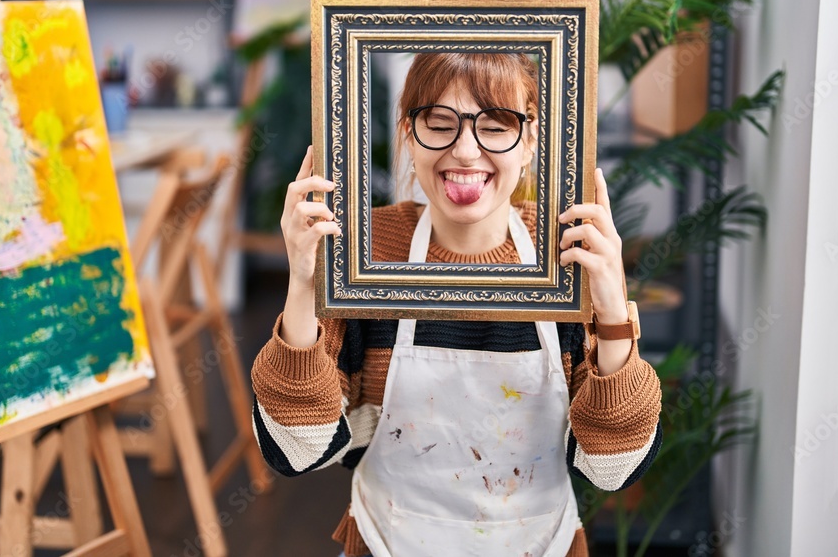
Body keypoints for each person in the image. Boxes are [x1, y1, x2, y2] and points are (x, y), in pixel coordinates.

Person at [250, 52, 662, 557]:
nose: (466, 151)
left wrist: (615, 314)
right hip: (387, 542)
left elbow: (612, 469)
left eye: (496, 126)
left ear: (531, 140)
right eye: (439, 123)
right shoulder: (364, 249)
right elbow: (297, 452)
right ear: (408, 134)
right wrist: (301, 283)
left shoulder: (569, 253)